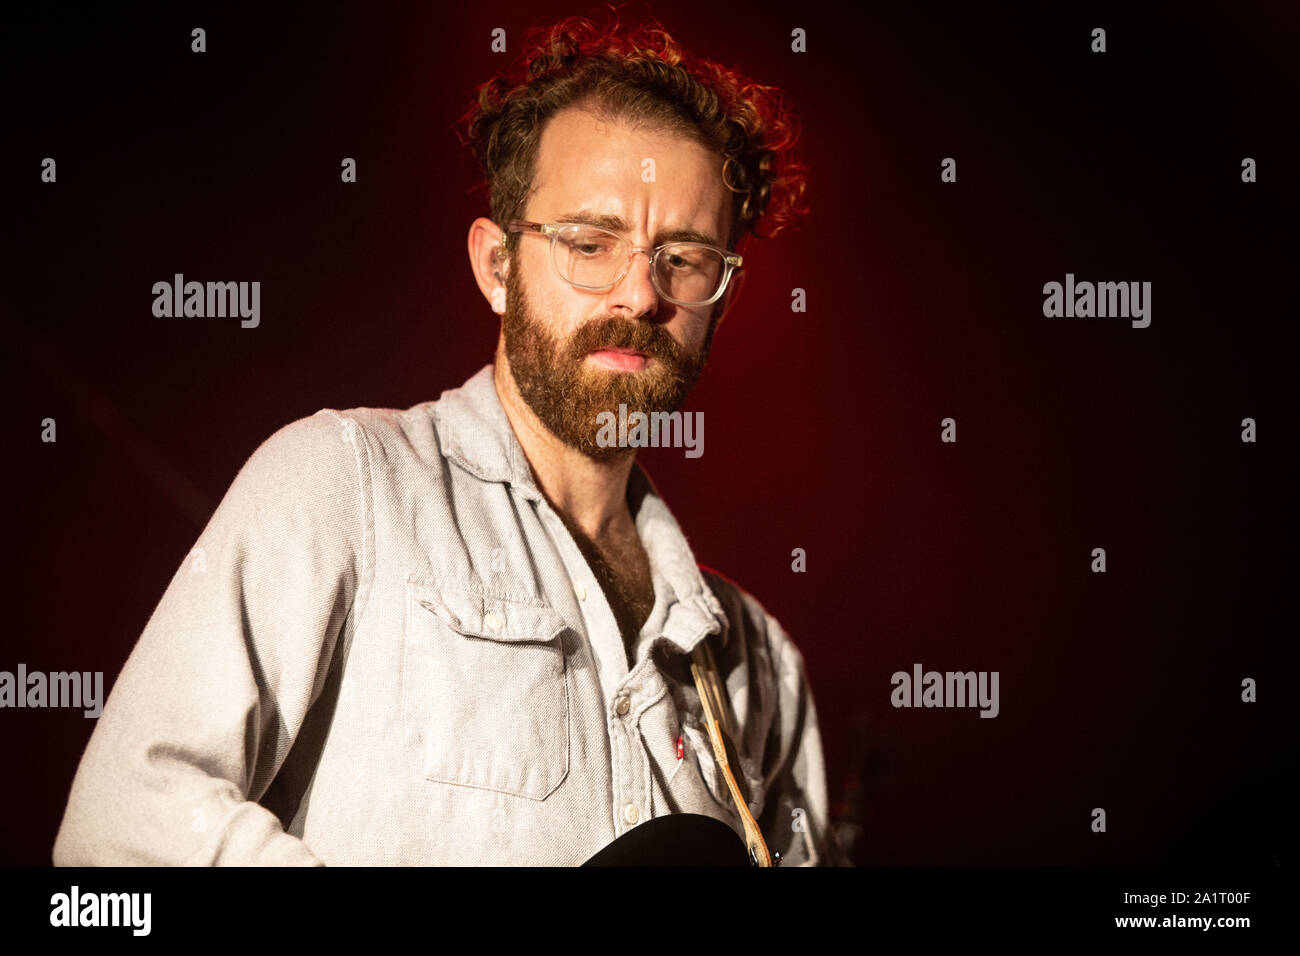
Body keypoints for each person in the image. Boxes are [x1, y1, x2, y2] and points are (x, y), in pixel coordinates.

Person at [53, 12, 840, 866]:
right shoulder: (342, 483)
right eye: (589, 243)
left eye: (682, 258)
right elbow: (121, 829)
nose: (639, 295)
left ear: (720, 294)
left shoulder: (758, 660)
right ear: (497, 267)